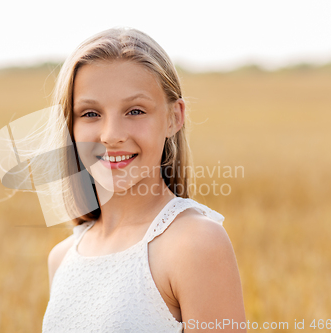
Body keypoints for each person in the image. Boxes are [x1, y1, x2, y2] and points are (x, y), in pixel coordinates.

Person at [42, 27, 246, 332]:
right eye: (90, 113)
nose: (111, 135)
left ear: (173, 118)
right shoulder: (62, 258)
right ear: (70, 126)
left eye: (135, 111)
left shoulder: (195, 245)